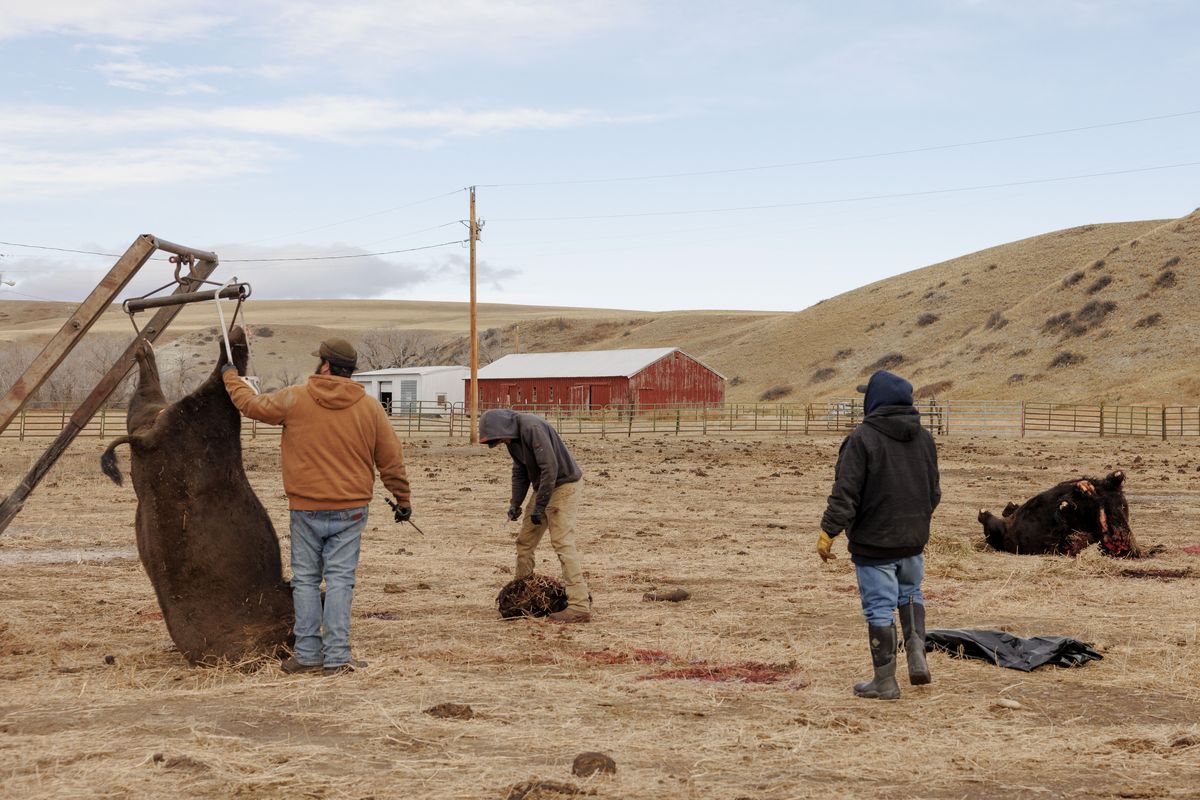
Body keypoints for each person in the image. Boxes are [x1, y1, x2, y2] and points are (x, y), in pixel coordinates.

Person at [222, 337, 412, 675]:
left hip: (305, 507)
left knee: (306, 580)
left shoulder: (295, 398)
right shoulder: (369, 408)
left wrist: (230, 377)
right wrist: (402, 500)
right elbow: (391, 460)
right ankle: (337, 657)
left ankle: (308, 654)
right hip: (351, 509)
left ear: (325, 364)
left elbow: (251, 406)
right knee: (340, 580)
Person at [817, 369, 940, 700]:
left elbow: (846, 493)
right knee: (911, 594)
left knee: (880, 609)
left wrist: (828, 532)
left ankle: (885, 682)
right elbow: (934, 492)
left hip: (875, 545)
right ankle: (917, 657)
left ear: (875, 400)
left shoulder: (862, 439)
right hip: (913, 541)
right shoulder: (924, 438)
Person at [478, 408, 591, 623]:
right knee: (525, 541)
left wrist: (539, 508)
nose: (501, 442)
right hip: (545, 487)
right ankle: (521, 595)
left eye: (499, 438)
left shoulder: (531, 427)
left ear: (504, 428)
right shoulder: (513, 439)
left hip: (564, 484)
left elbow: (550, 468)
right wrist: (515, 503)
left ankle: (579, 606)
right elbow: (520, 471)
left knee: (562, 543)